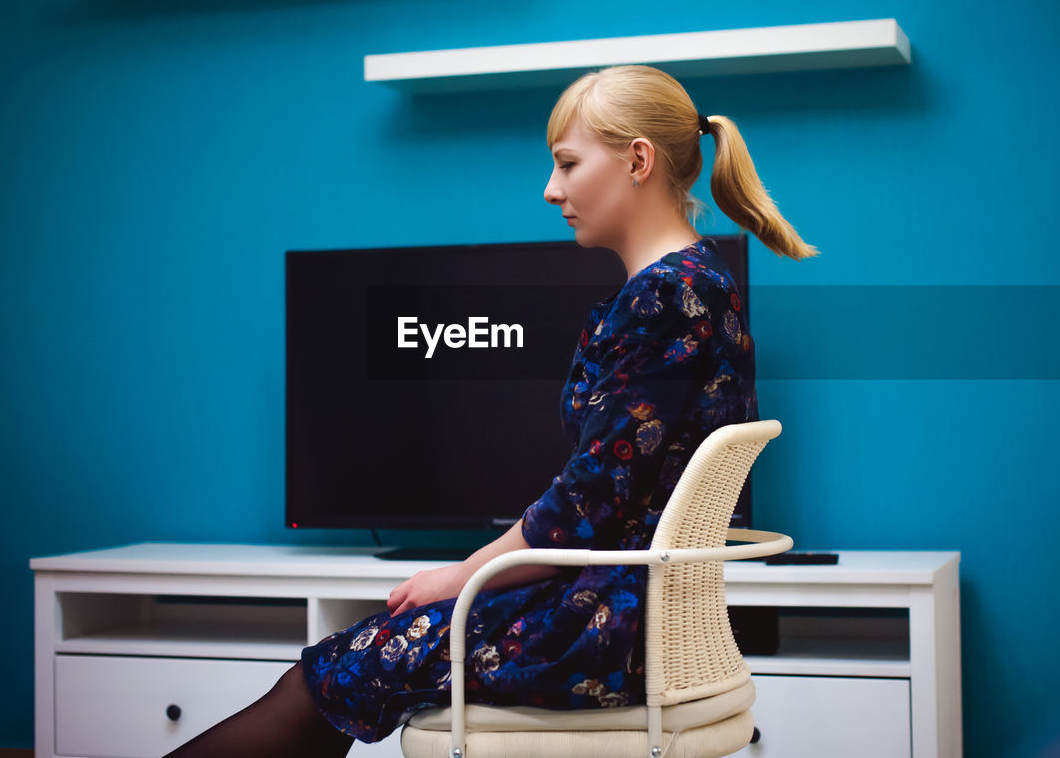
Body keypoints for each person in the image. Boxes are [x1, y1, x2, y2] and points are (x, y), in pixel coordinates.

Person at [164, 64, 817, 757]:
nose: (551, 189)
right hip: (635, 615)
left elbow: (584, 510)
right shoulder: (700, 282)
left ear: (637, 161)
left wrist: (462, 576)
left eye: (567, 163)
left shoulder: (664, 299)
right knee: (338, 673)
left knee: (329, 677)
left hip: (599, 629)